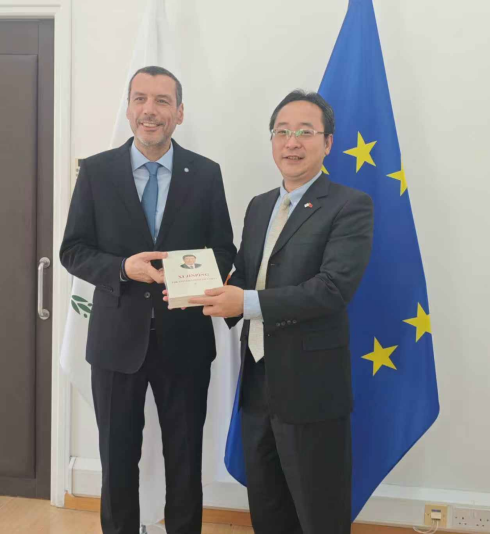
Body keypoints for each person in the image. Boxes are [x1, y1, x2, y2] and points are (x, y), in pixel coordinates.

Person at [60, 66, 236, 534]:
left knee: (185, 459)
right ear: (128, 108)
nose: (149, 110)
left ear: (179, 112)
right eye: (140, 99)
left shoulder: (206, 174)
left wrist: (192, 280)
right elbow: (73, 250)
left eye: (161, 101)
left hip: (186, 340)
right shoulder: (96, 172)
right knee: (117, 462)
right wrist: (123, 268)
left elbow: (224, 249)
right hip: (116, 343)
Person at [189, 90, 374, 534]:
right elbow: (246, 275)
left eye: (305, 132)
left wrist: (245, 302)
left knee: (319, 514)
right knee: (267, 510)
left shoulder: (350, 205)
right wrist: (197, 288)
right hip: (256, 383)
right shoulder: (259, 206)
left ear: (328, 143)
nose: (292, 142)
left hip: (311, 389)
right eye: (282, 131)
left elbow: (332, 289)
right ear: (272, 140)